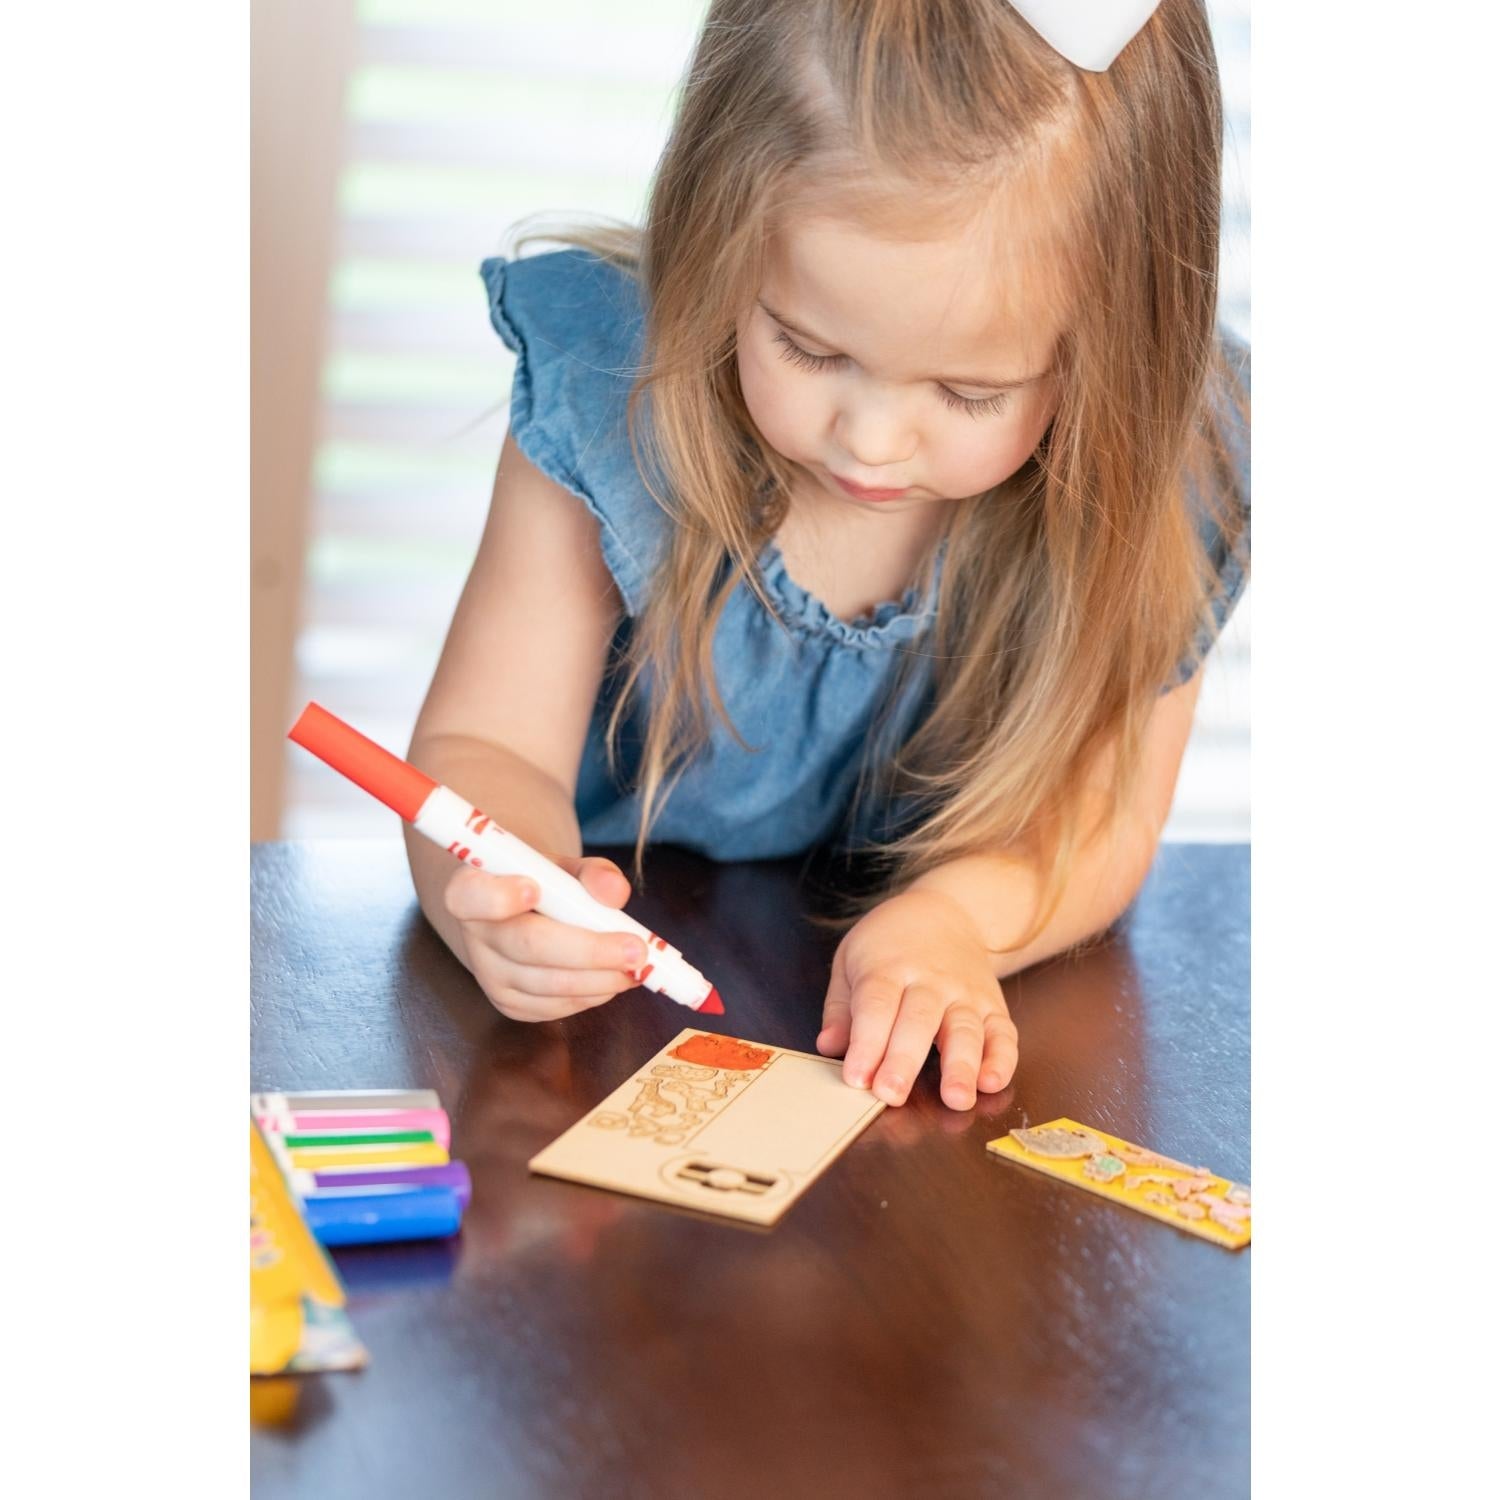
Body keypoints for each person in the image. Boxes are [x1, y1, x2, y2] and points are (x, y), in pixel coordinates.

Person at [403, 0, 1249, 1113]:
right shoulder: (614, 395)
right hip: (614, 1014)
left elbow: (1102, 823)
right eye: (806, 345)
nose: (871, 439)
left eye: (969, 392)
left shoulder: (1170, 475)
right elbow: (481, 744)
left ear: (1110, 351)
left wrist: (955, 923)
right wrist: (505, 891)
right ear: (716, 239)